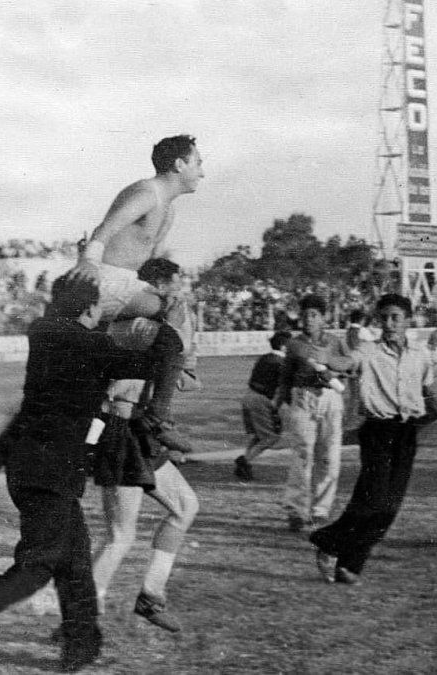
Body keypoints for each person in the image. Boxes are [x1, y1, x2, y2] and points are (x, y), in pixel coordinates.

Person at [0, 275, 161, 672]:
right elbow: (148, 362)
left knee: (73, 560)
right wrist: (168, 320)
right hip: (49, 473)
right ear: (90, 310)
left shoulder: (45, 332)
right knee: (35, 569)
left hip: (29, 467)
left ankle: (82, 644)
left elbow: (87, 339)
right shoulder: (89, 343)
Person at [309, 294, 437, 585]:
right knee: (371, 501)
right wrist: (327, 359)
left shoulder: (419, 354)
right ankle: (328, 542)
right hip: (377, 431)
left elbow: (429, 393)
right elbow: (346, 361)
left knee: (389, 509)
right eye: (384, 318)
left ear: (408, 320)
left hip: (406, 433)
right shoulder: (369, 351)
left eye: (395, 317)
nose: (390, 324)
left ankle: (347, 564)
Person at [69, 135, 205, 454]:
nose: (202, 172)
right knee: (172, 311)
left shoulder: (168, 211)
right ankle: (163, 405)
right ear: (179, 164)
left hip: (126, 285)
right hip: (104, 279)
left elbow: (146, 264)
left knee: (162, 335)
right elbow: (106, 228)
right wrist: (88, 261)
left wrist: (158, 288)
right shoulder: (147, 193)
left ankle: (139, 407)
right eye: (199, 163)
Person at [90, 258, 200, 634]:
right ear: (153, 285)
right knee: (120, 535)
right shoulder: (132, 324)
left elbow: (174, 365)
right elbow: (168, 348)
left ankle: (151, 597)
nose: (175, 293)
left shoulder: (145, 326)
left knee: (185, 506)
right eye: (171, 285)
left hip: (139, 432)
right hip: (122, 431)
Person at [274, 294, 354, 532]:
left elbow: (349, 364)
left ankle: (320, 510)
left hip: (330, 397)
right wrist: (279, 403)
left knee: (329, 456)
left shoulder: (336, 342)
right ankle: (296, 512)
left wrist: (327, 359)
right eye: (305, 314)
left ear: (324, 318)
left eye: (314, 315)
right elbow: (286, 376)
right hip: (303, 398)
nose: (309, 319)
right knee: (303, 456)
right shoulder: (295, 344)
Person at [234, 330, 293, 481]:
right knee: (271, 437)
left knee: (260, 436)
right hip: (261, 399)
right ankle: (245, 461)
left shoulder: (265, 358)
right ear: (283, 346)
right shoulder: (281, 363)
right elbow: (283, 388)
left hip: (249, 396)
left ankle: (245, 462)